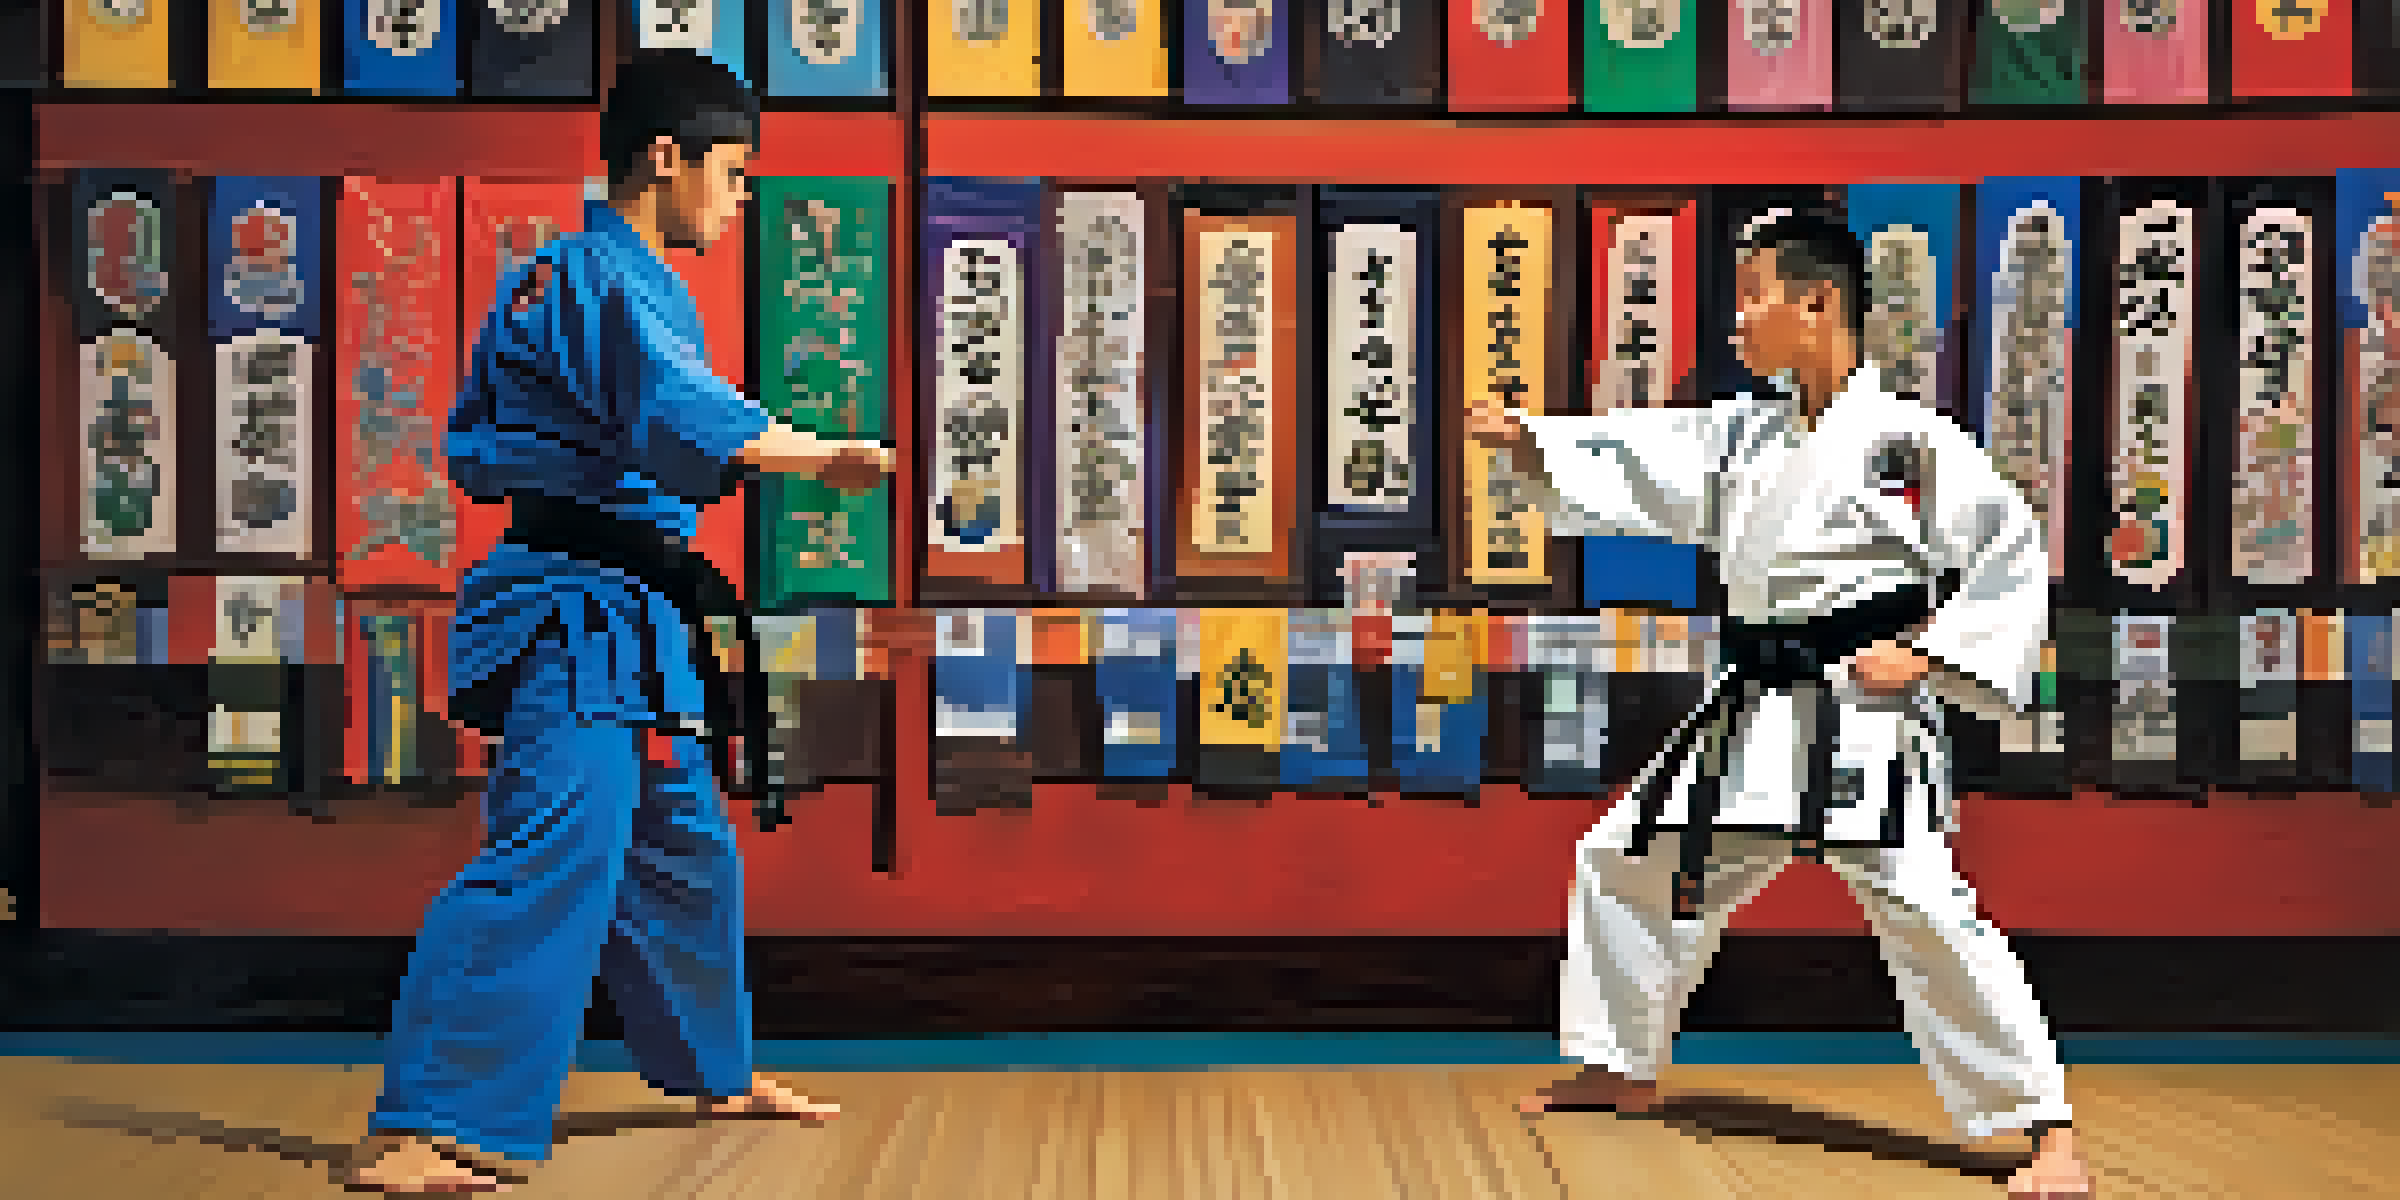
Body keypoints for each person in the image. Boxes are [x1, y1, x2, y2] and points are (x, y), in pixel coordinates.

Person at [345, 49, 892, 1193]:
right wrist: (816, 452)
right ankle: (418, 1124)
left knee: (684, 849)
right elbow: (679, 409)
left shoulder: (584, 275)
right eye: (732, 173)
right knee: (553, 851)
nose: (740, 200)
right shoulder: (603, 275)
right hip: (573, 613)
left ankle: (713, 1066)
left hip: (625, 611)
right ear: (665, 157)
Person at [1469, 213, 2095, 1199]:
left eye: (1755, 292)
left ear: (1818, 304)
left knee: (1929, 912)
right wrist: (1539, 442)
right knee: (1629, 857)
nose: (1739, 317)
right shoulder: (1749, 432)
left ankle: (2041, 1127)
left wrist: (1927, 655)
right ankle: (1619, 1064)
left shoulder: (1905, 444)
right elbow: (1647, 453)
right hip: (1756, 711)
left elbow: (2010, 553)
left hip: (1861, 719)